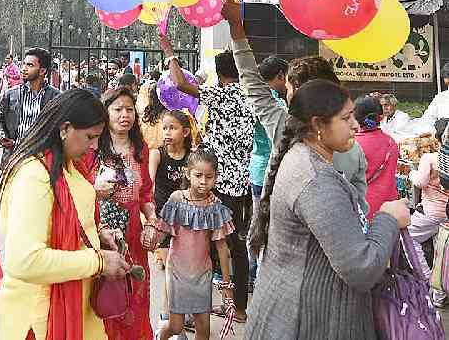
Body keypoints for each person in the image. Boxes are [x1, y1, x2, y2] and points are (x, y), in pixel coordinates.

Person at [247, 80, 411, 337]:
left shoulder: (302, 157)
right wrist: (387, 219)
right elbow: (361, 268)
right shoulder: (316, 180)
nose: (355, 125)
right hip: (305, 322)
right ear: (317, 125)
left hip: (290, 312)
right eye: (346, 119)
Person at [0, 89, 131, 339]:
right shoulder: (33, 176)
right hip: (40, 315)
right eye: (90, 137)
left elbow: (74, 219)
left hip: (74, 301)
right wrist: (99, 261)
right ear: (65, 128)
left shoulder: (68, 164)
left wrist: (98, 234)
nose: (93, 146)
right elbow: (24, 261)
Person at [220, 0, 370, 209]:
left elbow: (251, 81)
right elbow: (360, 207)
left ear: (301, 93)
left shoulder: (284, 128)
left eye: (289, 88)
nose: (286, 93)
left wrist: (236, 25)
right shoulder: (353, 149)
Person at [160, 35, 255, 323]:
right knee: (235, 245)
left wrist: (169, 52)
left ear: (221, 72)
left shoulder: (222, 94)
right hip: (240, 183)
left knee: (205, 243)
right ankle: (237, 306)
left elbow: (180, 85)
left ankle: (195, 307)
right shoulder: (252, 95)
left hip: (214, 183)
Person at [93, 87, 155, 340]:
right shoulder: (93, 148)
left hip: (133, 237)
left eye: (129, 109)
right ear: (106, 113)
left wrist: (152, 222)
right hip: (102, 235)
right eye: (117, 109)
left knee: (135, 292)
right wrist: (95, 190)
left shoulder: (141, 150)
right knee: (106, 295)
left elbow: (146, 194)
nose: (124, 115)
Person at [155, 150, 235, 340]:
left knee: (204, 330)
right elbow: (161, 232)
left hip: (202, 274)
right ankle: (160, 336)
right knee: (175, 327)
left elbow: (223, 248)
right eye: (198, 175)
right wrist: (148, 239)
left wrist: (227, 284)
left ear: (216, 178)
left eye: (209, 176)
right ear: (187, 174)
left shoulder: (215, 206)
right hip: (177, 273)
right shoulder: (176, 199)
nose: (203, 181)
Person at [146, 110, 193, 335]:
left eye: (172, 128)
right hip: (164, 221)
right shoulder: (157, 154)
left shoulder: (192, 157)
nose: (167, 133)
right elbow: (149, 185)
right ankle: (166, 320)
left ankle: (182, 315)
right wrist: (150, 217)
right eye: (164, 128)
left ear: (185, 132)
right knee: (169, 270)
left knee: (186, 270)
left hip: (186, 222)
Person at [247, 56, 288, 287]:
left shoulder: (253, 100)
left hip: (256, 168)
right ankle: (259, 275)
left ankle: (252, 272)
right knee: (266, 225)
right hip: (269, 172)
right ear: (281, 76)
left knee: (256, 220)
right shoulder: (275, 106)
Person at [0, 47, 61, 166]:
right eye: (24, 64)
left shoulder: (56, 97)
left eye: (30, 65)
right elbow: (0, 120)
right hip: (14, 157)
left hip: (42, 160)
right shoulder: (11, 94)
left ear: (42, 71)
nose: (24, 69)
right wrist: (3, 137)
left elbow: (60, 128)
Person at [409, 118, 449, 306]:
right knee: (441, 252)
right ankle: (439, 295)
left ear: (438, 137)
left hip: (431, 213)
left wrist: (411, 174)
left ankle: (426, 279)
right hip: (446, 216)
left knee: (408, 238)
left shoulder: (430, 158)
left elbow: (420, 182)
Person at [354, 95, 399, 220]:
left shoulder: (352, 145)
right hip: (391, 209)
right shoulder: (392, 142)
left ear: (354, 117)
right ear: (381, 117)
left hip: (365, 210)